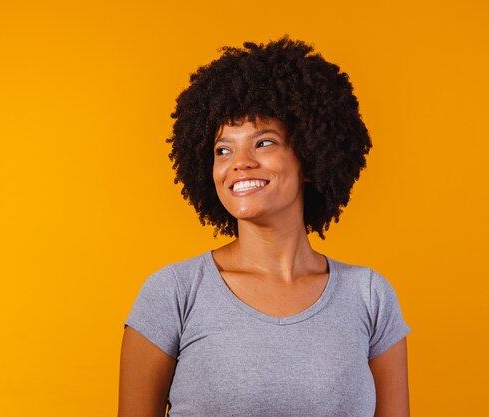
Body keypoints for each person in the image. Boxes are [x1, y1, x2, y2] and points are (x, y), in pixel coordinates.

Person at [118, 37, 411, 417]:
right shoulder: (174, 293)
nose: (239, 163)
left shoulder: (370, 297)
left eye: (264, 142)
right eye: (223, 149)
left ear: (309, 158)